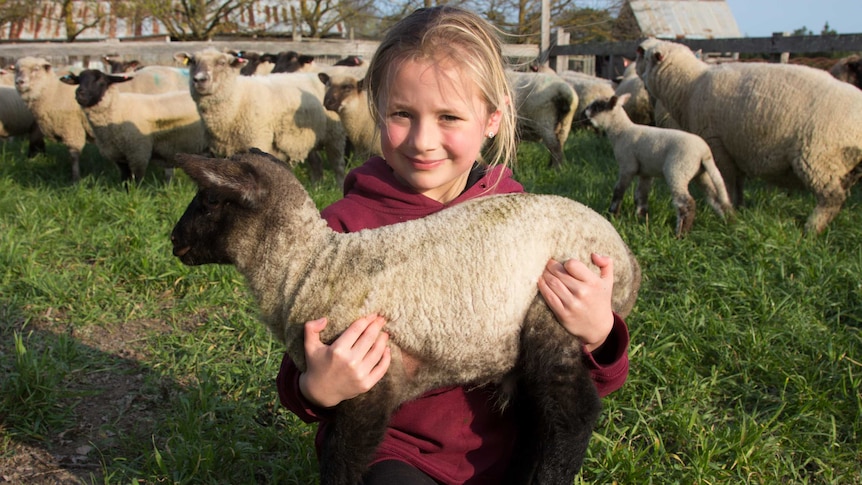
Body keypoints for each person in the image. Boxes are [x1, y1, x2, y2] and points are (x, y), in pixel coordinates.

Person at [277, 5, 630, 484]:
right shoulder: (345, 230)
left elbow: (592, 383)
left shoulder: (520, 225)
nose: (423, 140)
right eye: (402, 114)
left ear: (491, 118)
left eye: (449, 117)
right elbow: (299, 365)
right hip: (395, 452)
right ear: (377, 110)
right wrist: (316, 388)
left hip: (507, 456)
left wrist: (598, 331)